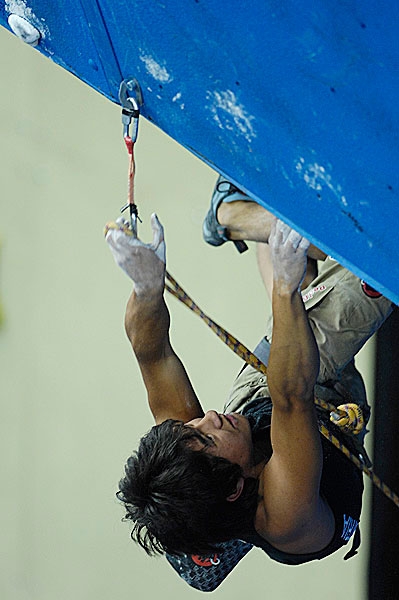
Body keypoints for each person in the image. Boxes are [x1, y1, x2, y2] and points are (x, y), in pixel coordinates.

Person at [105, 176, 393, 571]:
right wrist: (284, 289)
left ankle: (241, 216)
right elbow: (293, 397)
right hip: (297, 402)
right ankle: (235, 217)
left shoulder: (188, 448)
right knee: (298, 287)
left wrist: (146, 287)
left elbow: (152, 354)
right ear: (236, 487)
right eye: (208, 437)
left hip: (265, 397)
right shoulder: (285, 515)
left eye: (194, 428)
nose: (206, 418)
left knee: (375, 267)